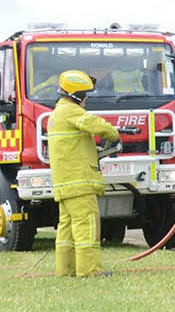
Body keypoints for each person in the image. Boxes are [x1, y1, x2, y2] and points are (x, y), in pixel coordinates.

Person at [46, 69, 122, 277]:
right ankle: (90, 271)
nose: (86, 99)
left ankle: (66, 270)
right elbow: (94, 124)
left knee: (67, 230)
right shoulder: (71, 111)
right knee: (86, 226)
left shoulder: (57, 114)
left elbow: (74, 143)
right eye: (85, 95)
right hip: (79, 182)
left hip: (65, 182)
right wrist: (113, 133)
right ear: (77, 95)